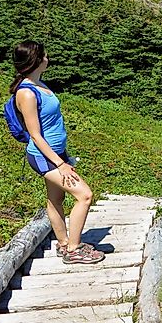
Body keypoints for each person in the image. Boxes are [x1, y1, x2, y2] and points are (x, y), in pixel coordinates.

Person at [10, 40, 105, 264]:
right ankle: (74, 249)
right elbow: (35, 135)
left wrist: (64, 154)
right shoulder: (27, 93)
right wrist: (60, 164)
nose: (47, 58)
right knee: (84, 195)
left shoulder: (40, 84)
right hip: (44, 157)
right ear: (35, 60)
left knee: (56, 198)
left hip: (56, 154)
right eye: (44, 55)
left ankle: (63, 243)